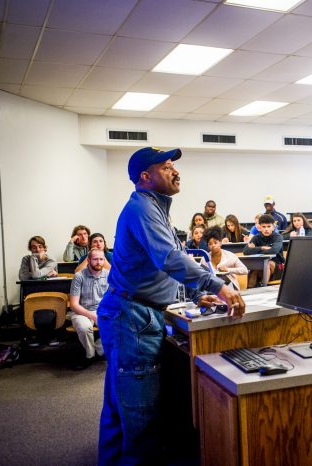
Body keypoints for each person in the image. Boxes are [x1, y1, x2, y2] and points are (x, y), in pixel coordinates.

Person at [97, 147, 245, 465]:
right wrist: (216, 285)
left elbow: (160, 266)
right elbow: (169, 258)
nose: (176, 171)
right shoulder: (142, 209)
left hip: (132, 313)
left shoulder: (155, 208)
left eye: (174, 166)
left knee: (119, 410)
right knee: (140, 421)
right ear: (145, 177)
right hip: (131, 318)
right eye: (167, 167)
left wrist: (193, 294)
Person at [69, 248, 108, 370]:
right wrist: (92, 316)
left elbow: (113, 299)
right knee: (84, 328)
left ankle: (98, 350)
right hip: (81, 311)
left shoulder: (108, 275)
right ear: (88, 260)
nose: (99, 262)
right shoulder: (79, 276)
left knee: (118, 325)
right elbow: (74, 304)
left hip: (102, 310)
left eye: (101, 259)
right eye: (95, 259)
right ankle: (89, 356)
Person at [244, 213, 284, 288]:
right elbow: (246, 251)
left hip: (278, 267)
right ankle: (249, 290)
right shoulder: (256, 238)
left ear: (273, 227)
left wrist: (254, 249)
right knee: (254, 268)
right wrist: (262, 248)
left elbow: (274, 251)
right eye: (264, 227)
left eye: (269, 226)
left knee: (267, 264)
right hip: (260, 266)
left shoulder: (278, 237)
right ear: (260, 227)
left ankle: (263, 288)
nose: (266, 229)